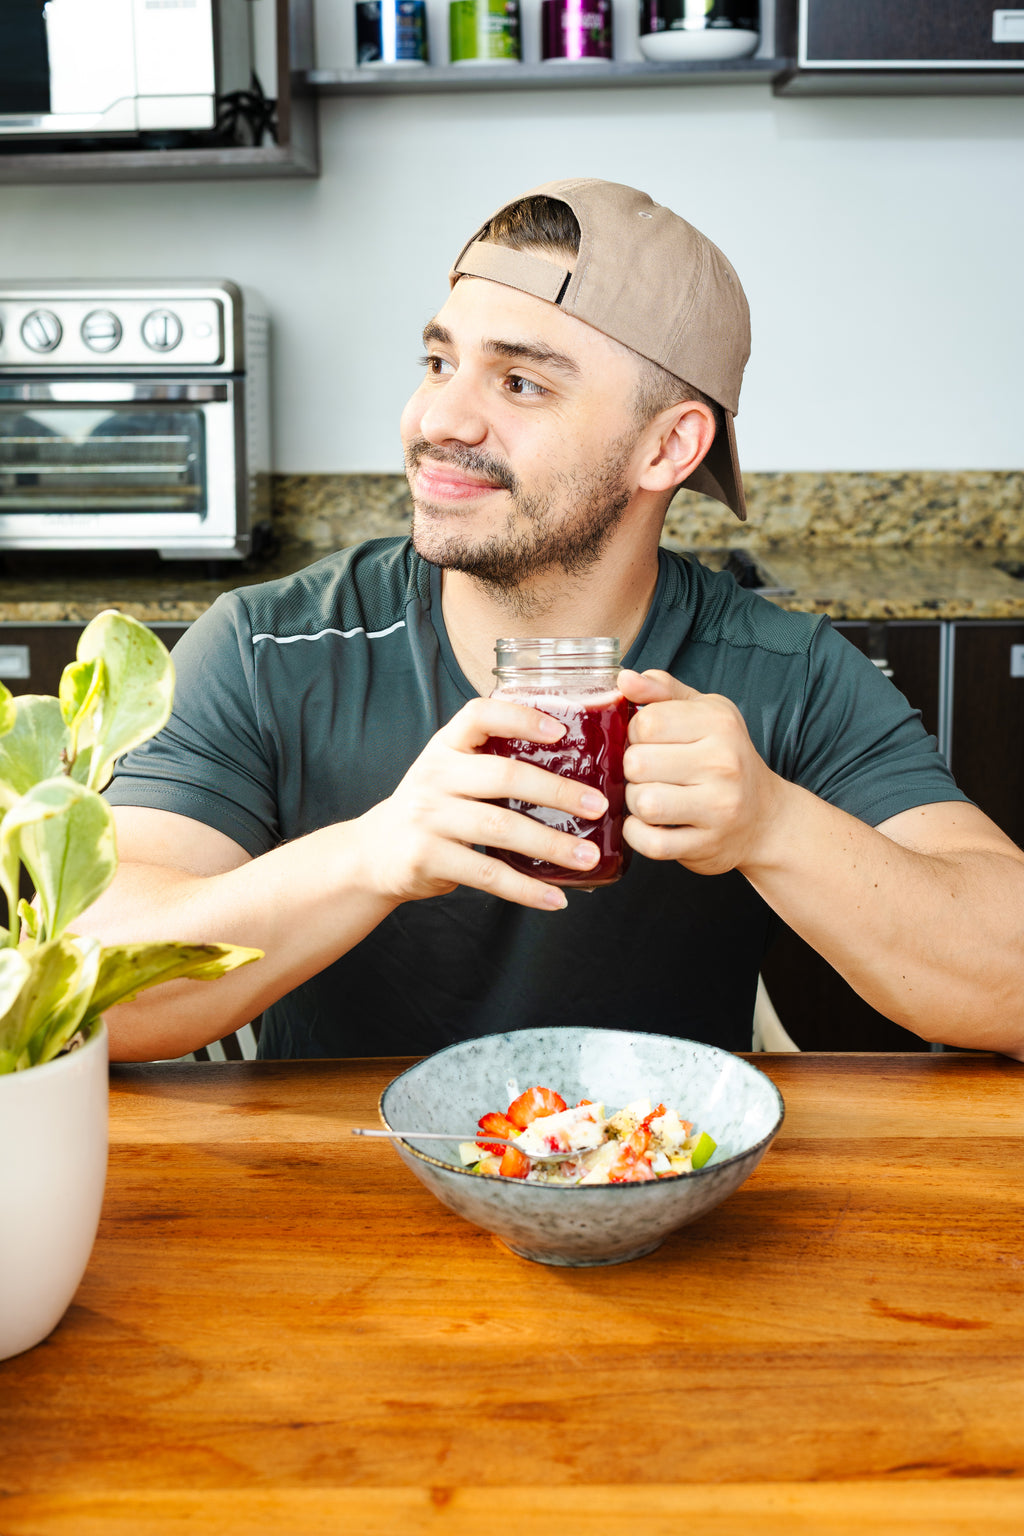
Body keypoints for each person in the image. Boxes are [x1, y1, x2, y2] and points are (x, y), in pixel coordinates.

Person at [83, 178, 1024, 1062]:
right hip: (332, 1175)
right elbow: (86, 991)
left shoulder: (786, 673)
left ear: (668, 446)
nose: (438, 419)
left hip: (661, 1174)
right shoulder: (268, 649)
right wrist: (369, 854)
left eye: (520, 383)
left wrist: (774, 824)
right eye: (440, 362)